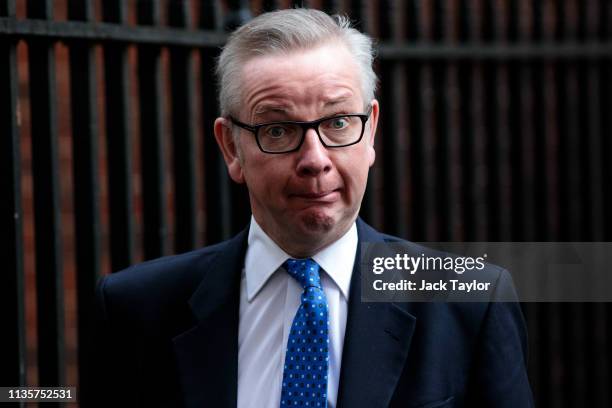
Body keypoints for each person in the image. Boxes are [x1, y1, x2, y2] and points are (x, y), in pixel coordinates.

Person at [85, 8, 533, 408]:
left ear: (370, 129)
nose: (315, 159)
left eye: (338, 123)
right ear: (231, 147)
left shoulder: (470, 302)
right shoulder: (136, 310)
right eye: (278, 130)